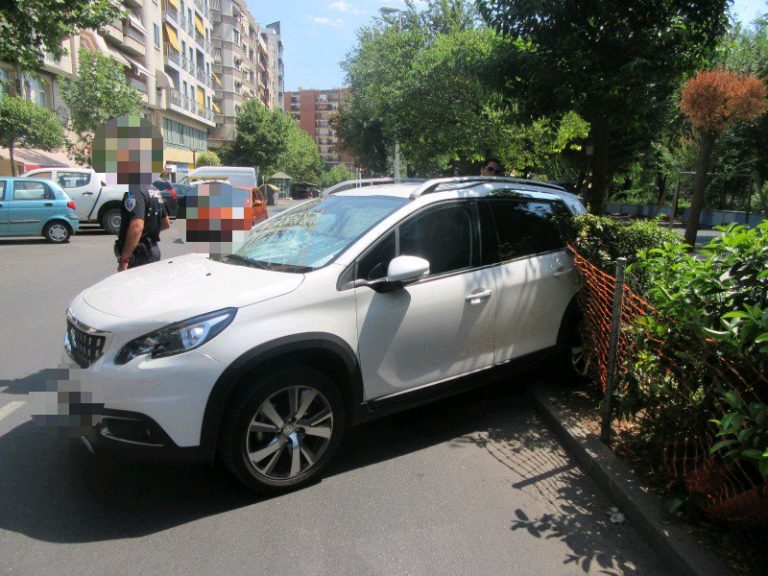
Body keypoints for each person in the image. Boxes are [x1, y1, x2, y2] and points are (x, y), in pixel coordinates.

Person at [91, 114, 171, 272]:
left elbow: (136, 227)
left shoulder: (135, 190)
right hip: (152, 251)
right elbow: (165, 223)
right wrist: (149, 235)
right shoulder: (153, 189)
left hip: (138, 256)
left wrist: (124, 259)